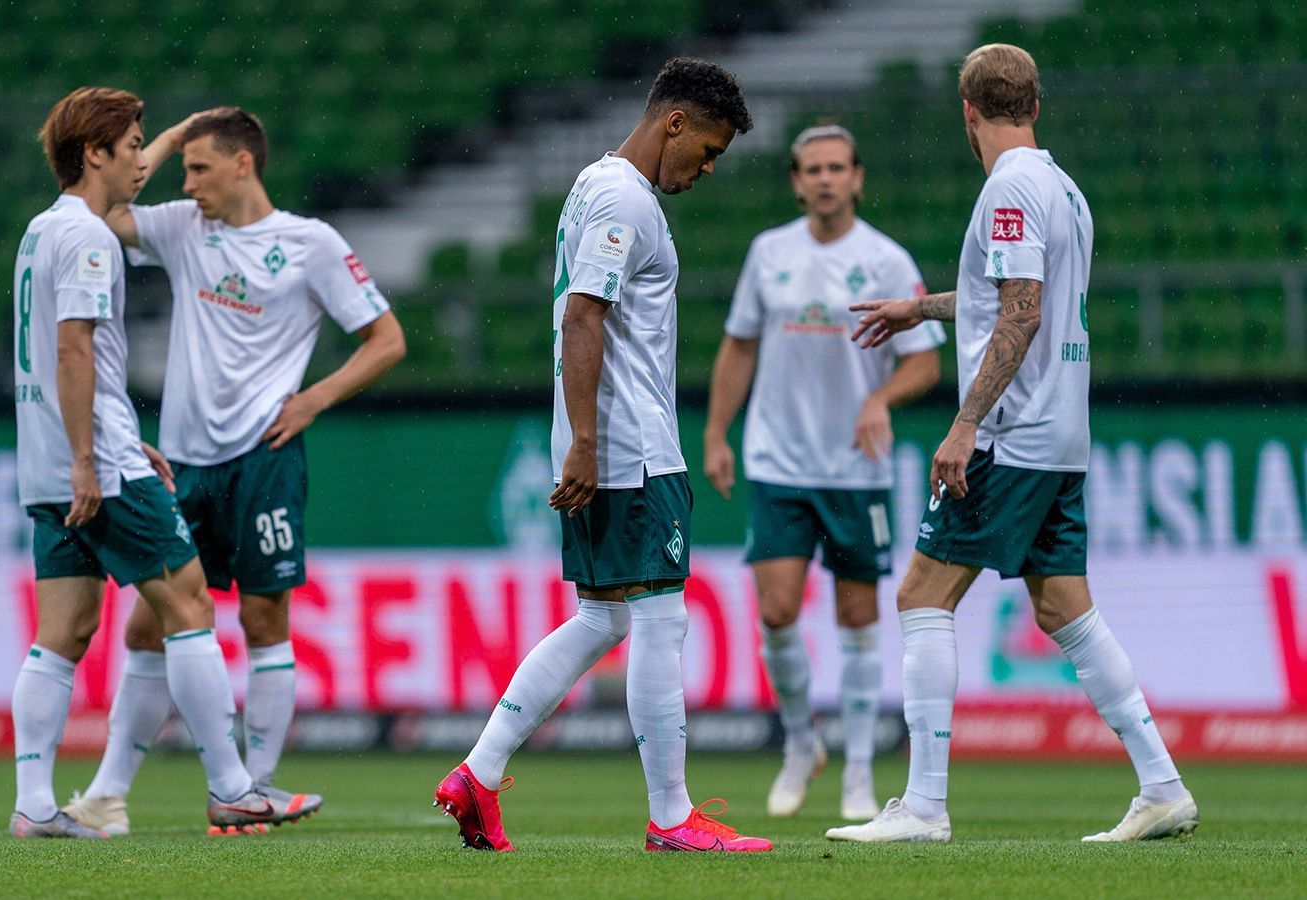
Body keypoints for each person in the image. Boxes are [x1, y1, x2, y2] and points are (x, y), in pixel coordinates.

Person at [826, 44, 1198, 843]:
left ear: (968, 112)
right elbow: (1012, 293)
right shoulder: (1062, 185)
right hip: (1062, 433)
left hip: (1011, 433)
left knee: (922, 593)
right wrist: (919, 310)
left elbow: (1021, 312)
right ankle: (1162, 786)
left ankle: (924, 807)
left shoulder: (1011, 187)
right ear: (1037, 103)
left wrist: (965, 424)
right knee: (1065, 606)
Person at [434, 57, 770, 853]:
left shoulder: (594, 183)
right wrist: (588, 442)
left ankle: (478, 775)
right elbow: (583, 316)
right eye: (708, 148)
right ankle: (671, 816)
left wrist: (579, 440)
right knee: (658, 615)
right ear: (674, 123)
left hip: (602, 439)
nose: (709, 167)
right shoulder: (625, 199)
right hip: (629, 446)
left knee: (603, 616)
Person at [61, 107, 406, 836]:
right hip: (184, 462)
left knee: (261, 616)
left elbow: (386, 340)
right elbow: (111, 206)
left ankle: (255, 790)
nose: (187, 185)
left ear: (243, 164)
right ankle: (105, 796)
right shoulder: (185, 228)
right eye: (183, 171)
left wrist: (313, 399)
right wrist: (177, 133)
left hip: (263, 457)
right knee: (146, 628)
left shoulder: (310, 245)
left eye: (200, 169)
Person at [9, 87, 284, 838]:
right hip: (88, 460)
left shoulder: (42, 231)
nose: (142, 159)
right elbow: (74, 348)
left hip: (46, 456)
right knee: (189, 605)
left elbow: (67, 357)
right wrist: (93, 459)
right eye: (131, 145)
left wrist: (114, 439)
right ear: (95, 153)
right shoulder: (92, 240)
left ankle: (34, 805)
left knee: (61, 633)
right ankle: (232, 787)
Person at [702, 123, 944, 822]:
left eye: (838, 167)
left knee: (858, 616)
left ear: (858, 177)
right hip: (777, 460)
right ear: (796, 180)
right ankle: (802, 740)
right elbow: (739, 347)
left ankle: (861, 772)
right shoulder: (768, 253)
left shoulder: (889, 261)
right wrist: (718, 431)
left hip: (855, 468)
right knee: (776, 611)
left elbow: (925, 362)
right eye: (813, 168)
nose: (826, 178)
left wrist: (880, 396)